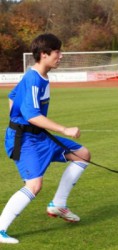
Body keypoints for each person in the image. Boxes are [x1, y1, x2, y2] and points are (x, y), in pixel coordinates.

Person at [0, 33, 91, 244]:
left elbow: (11, 97)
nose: (61, 56)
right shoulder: (33, 79)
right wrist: (64, 129)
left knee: (82, 154)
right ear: (44, 54)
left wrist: (18, 118)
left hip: (38, 136)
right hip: (25, 140)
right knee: (34, 185)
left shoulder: (42, 75)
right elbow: (32, 115)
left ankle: (58, 204)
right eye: (57, 52)